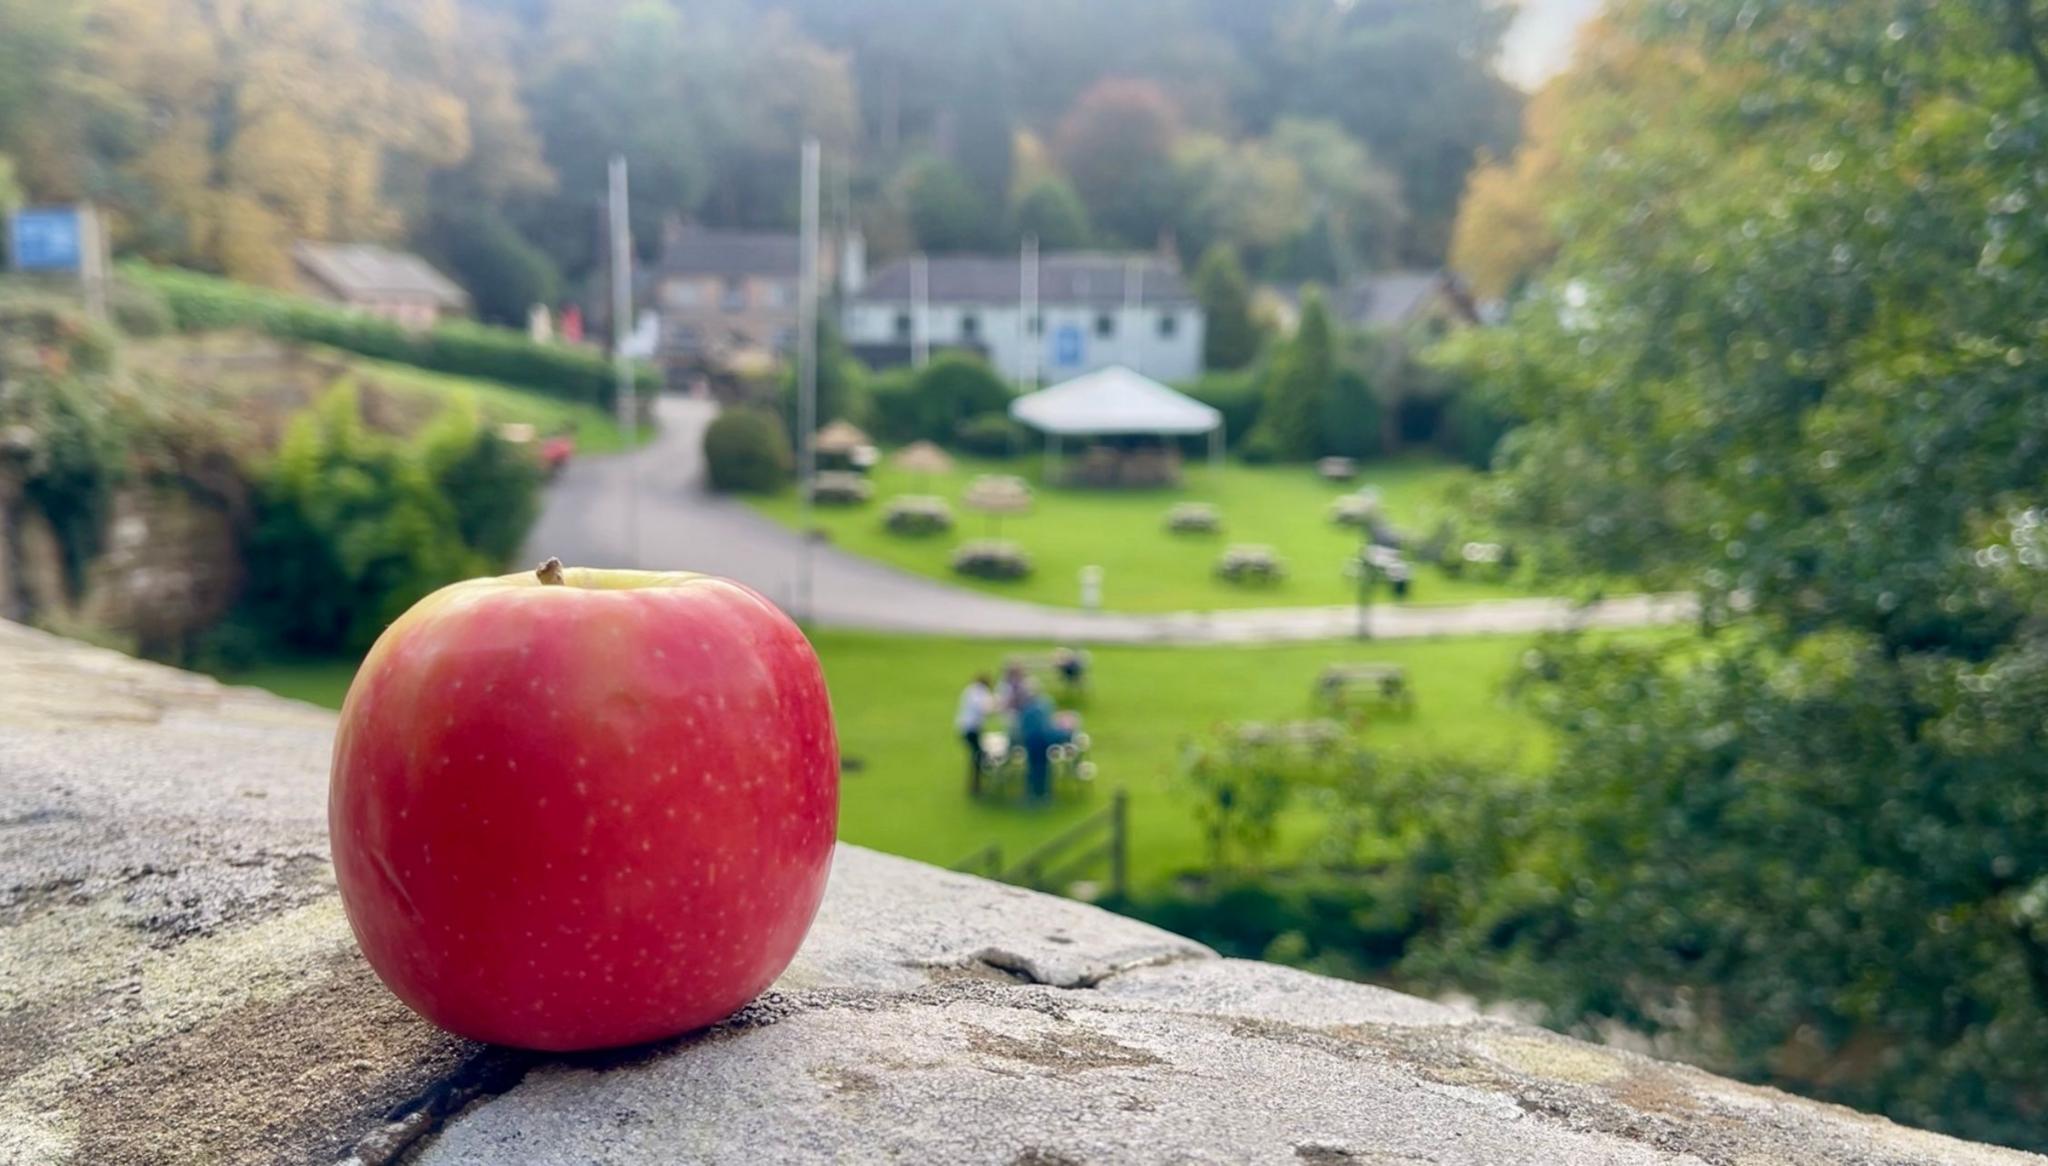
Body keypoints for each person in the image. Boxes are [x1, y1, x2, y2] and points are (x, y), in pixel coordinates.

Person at [1014, 684, 1075, 805]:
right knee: (1042, 770)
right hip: (1040, 742)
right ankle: (1042, 795)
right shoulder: (1039, 708)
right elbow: (1047, 727)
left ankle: (1034, 794)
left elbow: (1022, 729)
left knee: (1035, 770)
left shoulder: (1028, 710)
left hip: (1033, 743)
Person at [955, 673, 994, 794]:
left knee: (977, 755)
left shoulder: (971, 690)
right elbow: (985, 709)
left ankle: (978, 782)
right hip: (971, 729)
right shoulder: (980, 692)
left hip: (965, 728)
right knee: (977, 756)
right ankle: (976, 786)